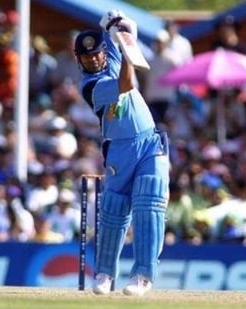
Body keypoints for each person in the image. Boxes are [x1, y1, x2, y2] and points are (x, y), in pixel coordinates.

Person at [74, 9, 170, 297]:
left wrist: (118, 26)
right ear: (78, 60)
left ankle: (143, 275)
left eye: (97, 54)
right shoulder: (90, 86)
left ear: (104, 53)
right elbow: (126, 84)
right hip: (119, 149)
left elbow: (126, 28)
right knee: (114, 211)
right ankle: (104, 274)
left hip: (150, 142)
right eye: (86, 57)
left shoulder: (111, 56)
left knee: (149, 204)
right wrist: (129, 53)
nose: (93, 59)